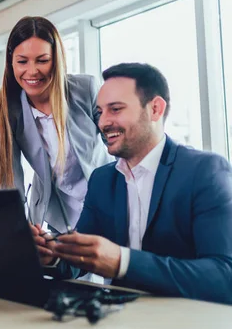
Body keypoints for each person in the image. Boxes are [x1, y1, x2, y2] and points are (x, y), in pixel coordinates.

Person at [32, 63, 232, 304]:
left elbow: (223, 276)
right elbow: (79, 259)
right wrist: (51, 254)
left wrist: (121, 261)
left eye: (115, 109)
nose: (103, 123)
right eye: (100, 112)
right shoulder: (102, 180)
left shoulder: (205, 171)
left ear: (155, 109)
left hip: (186, 325)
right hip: (118, 324)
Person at [0, 16, 112, 237]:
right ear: (11, 62)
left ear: (57, 59)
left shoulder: (86, 89)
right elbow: (10, 178)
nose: (32, 71)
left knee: (115, 267)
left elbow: (118, 145)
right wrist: (16, 223)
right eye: (22, 61)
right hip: (60, 214)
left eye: (42, 60)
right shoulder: (7, 110)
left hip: (107, 202)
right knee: (68, 271)